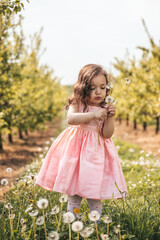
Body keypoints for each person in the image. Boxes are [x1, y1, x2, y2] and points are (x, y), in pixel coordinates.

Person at [36, 64, 128, 217]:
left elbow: (107, 134)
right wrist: (93, 115)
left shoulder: (105, 107)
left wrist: (110, 117)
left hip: (96, 154)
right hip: (76, 153)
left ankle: (96, 224)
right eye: (92, 88)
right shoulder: (77, 103)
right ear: (83, 88)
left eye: (102, 87)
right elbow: (71, 119)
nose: (98, 92)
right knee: (74, 190)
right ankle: (72, 222)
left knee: (94, 192)